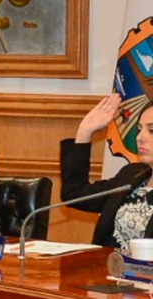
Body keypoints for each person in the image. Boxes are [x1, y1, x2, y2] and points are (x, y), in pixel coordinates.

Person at [60, 93, 153, 248]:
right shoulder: (131, 175)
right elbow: (74, 193)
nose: (139, 137)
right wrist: (85, 131)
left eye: (151, 130)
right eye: (139, 129)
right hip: (106, 262)